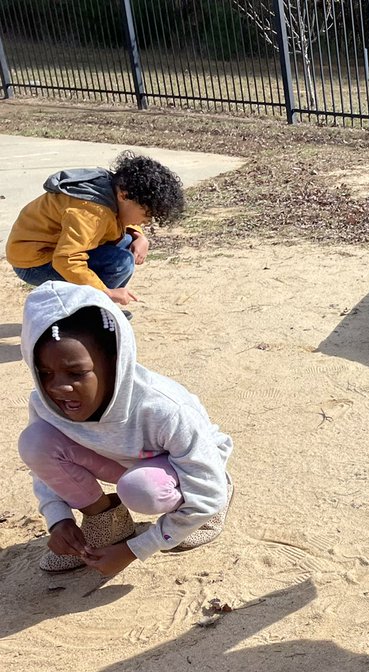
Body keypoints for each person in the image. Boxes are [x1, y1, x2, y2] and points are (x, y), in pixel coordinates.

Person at [18, 282, 232, 576]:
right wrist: (59, 519)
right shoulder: (45, 404)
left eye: (77, 373)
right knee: (35, 442)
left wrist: (136, 549)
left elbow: (205, 489)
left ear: (114, 362)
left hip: (182, 469)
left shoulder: (163, 408)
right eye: (45, 374)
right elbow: (42, 463)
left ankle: (214, 497)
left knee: (142, 489)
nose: (58, 387)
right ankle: (106, 524)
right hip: (122, 463)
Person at [6, 151, 185, 308]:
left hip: (54, 248)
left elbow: (123, 216)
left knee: (127, 242)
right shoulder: (90, 212)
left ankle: (91, 305)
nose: (146, 222)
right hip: (32, 261)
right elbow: (66, 259)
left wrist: (139, 235)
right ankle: (87, 313)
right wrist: (106, 292)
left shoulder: (113, 189)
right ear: (124, 195)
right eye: (145, 215)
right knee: (121, 262)